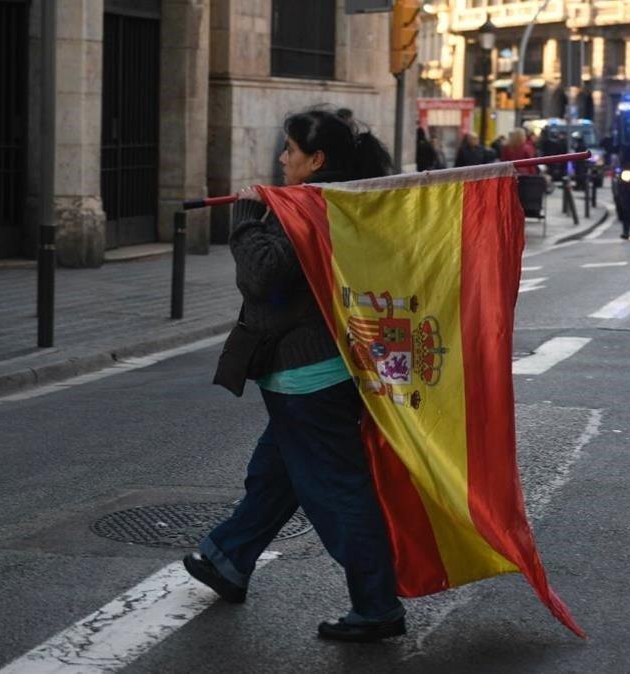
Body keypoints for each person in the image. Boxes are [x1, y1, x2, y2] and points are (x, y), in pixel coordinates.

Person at [192, 107, 405, 643]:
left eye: (290, 151)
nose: (282, 160)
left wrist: (244, 217)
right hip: (313, 374)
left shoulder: (315, 206)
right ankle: (228, 558)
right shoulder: (327, 200)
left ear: (316, 160)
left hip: (309, 378)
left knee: (339, 494)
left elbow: (263, 277)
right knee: (274, 476)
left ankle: (377, 606)